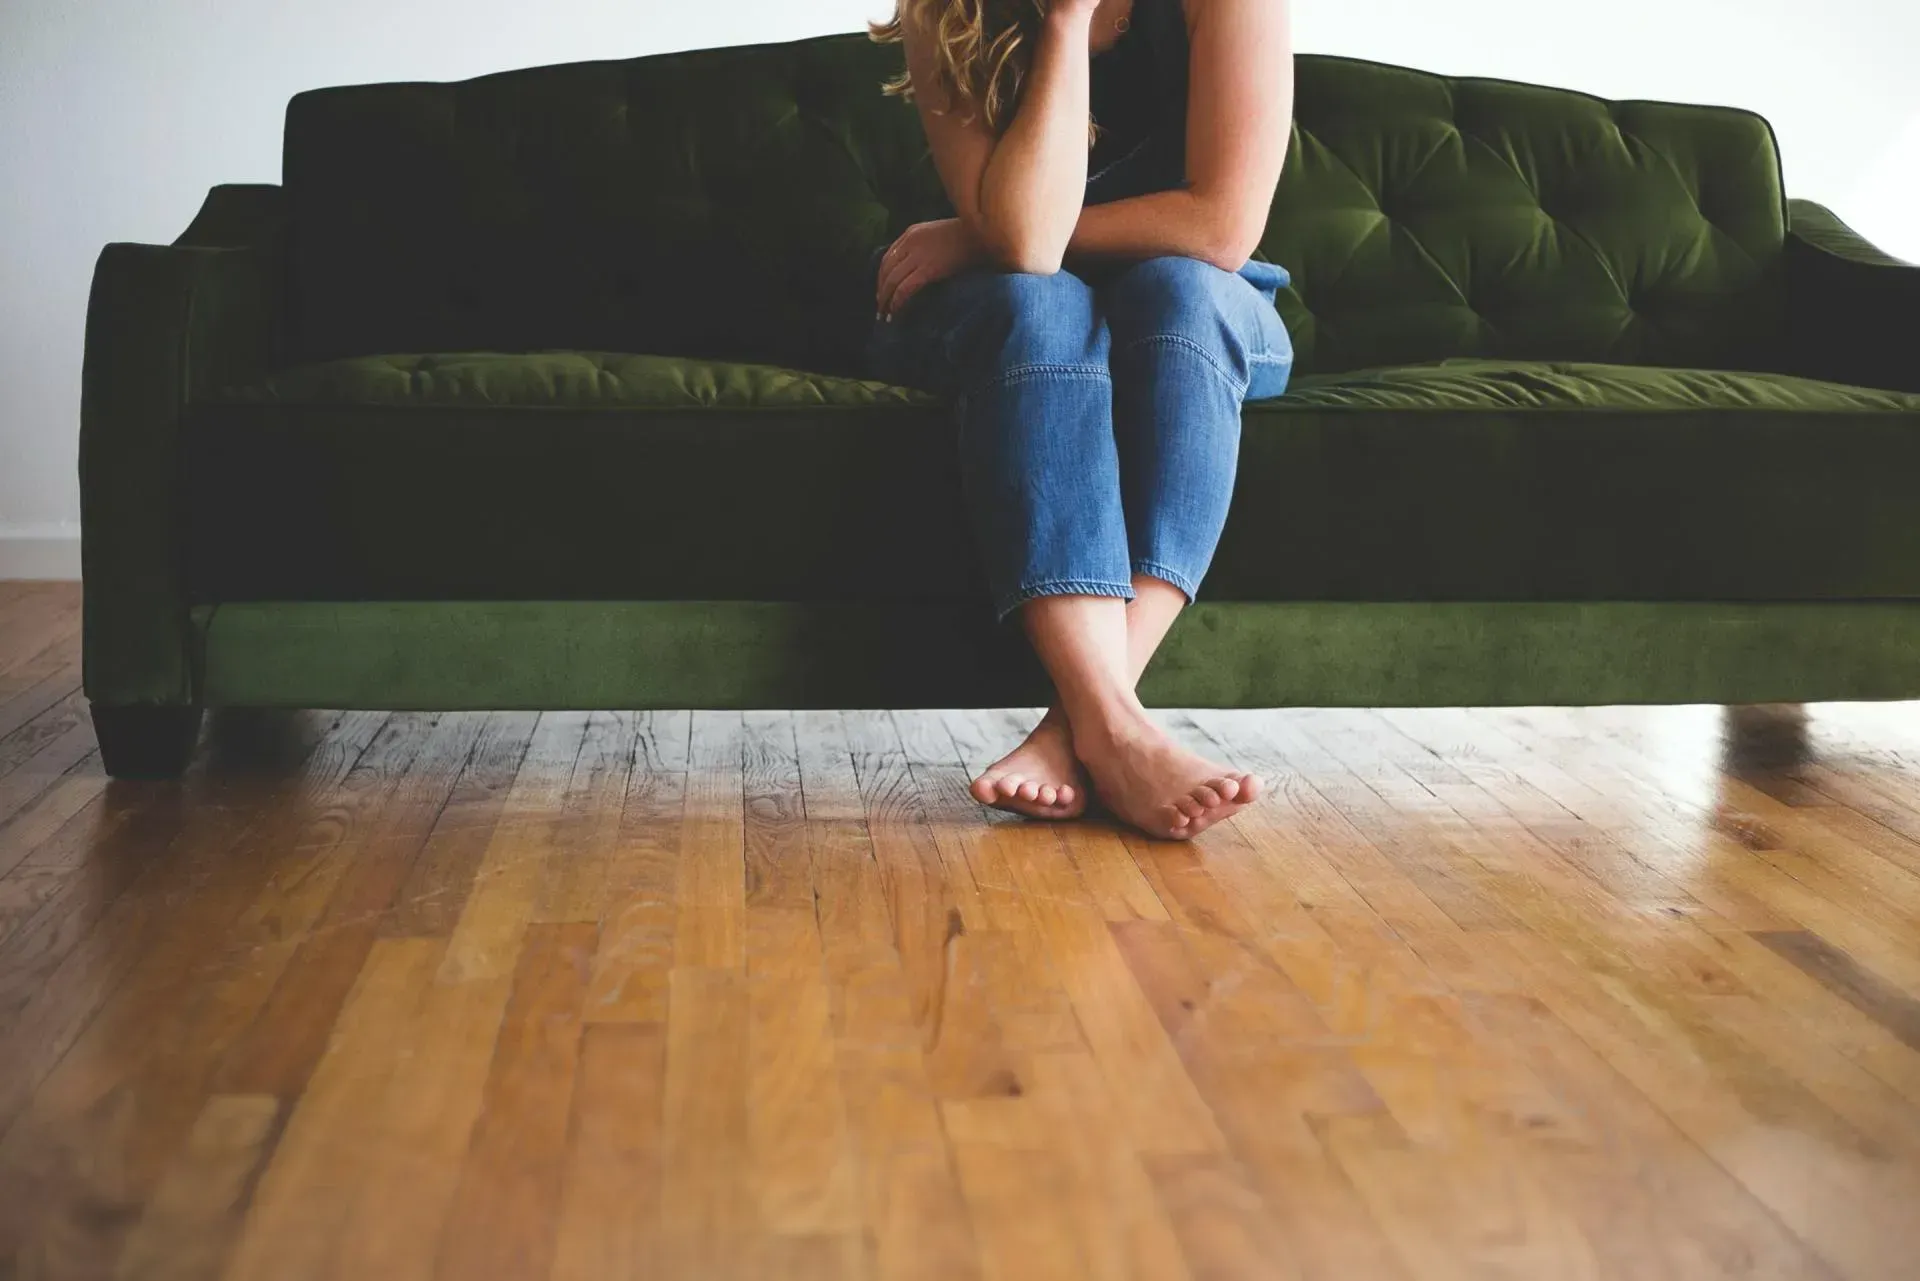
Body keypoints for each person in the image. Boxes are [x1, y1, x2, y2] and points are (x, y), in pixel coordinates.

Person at [865, 0, 1295, 839]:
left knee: (1180, 291)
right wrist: (1065, 21)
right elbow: (1027, 245)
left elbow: (1220, 226)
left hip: (1205, 297)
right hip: (1006, 302)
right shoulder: (945, 13)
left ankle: (1085, 725)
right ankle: (1119, 729)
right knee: (1042, 308)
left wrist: (967, 234)